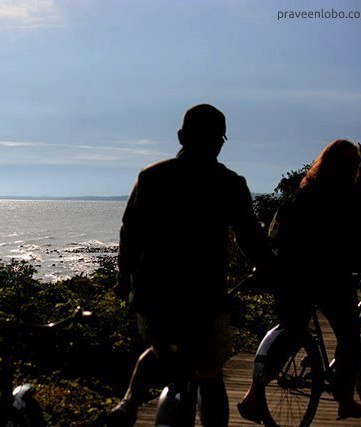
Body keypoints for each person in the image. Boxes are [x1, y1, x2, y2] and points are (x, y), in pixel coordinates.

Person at [108, 104, 269, 426]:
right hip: (205, 299)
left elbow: (130, 233)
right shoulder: (230, 183)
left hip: (154, 296)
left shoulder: (152, 176)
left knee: (164, 353)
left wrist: (123, 278)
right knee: (210, 379)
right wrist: (269, 269)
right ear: (221, 141)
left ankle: (130, 401)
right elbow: (251, 238)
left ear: (182, 136)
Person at [237, 139, 361, 422]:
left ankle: (253, 394)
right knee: (349, 336)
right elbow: (354, 243)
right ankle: (345, 400)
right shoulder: (345, 198)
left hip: (290, 277)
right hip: (330, 278)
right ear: (350, 167)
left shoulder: (301, 195)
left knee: (290, 334)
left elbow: (276, 235)